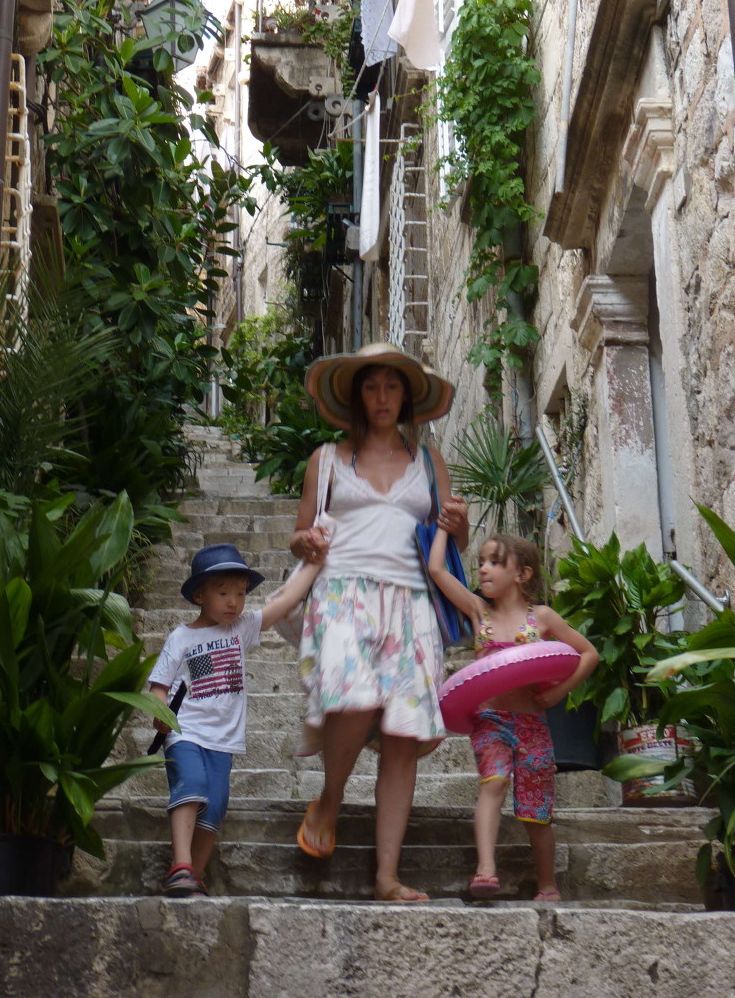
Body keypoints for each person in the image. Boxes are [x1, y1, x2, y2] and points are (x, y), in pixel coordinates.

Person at [292, 342, 469, 903]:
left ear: (408, 395)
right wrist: (307, 539)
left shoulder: (430, 462)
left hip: (412, 602)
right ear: (356, 396)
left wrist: (459, 523)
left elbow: (451, 540)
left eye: (392, 386)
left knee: (402, 736)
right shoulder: (325, 460)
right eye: (371, 386)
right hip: (342, 594)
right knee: (354, 698)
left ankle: (387, 876)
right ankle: (330, 800)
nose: (382, 396)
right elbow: (298, 536)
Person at [427, 529, 599, 901]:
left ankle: (547, 884)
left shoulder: (543, 618)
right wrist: (442, 527)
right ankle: (486, 870)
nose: (483, 569)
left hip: (532, 724)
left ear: (522, 573)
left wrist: (559, 691)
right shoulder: (479, 611)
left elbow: (589, 654)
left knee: (536, 807)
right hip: (490, 720)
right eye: (481, 563)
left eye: (494, 562)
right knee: (493, 783)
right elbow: (437, 570)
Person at [149, 541, 323, 897]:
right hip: (185, 731)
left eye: (241, 594)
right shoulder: (181, 637)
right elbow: (159, 686)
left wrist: (315, 565)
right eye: (223, 592)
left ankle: (194, 877)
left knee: (214, 807)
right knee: (190, 786)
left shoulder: (241, 628)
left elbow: (285, 602)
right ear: (199, 595)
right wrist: (160, 714)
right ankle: (180, 864)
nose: (233, 602)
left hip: (223, 741)